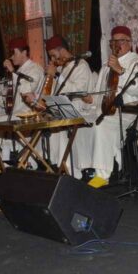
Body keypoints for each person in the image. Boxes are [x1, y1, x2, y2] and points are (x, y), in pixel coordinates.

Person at [78, 26, 138, 188]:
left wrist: (120, 70)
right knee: (80, 123)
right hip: (106, 110)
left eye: (121, 41)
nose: (117, 44)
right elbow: (100, 93)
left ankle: (102, 174)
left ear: (130, 43)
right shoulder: (106, 65)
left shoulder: (136, 62)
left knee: (102, 125)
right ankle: (83, 168)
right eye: (114, 41)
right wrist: (90, 99)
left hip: (128, 111)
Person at [41, 34, 93, 173]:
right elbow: (54, 92)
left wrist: (57, 76)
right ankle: (56, 165)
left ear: (62, 50)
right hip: (64, 108)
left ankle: (69, 168)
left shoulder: (81, 65)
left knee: (59, 123)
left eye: (53, 55)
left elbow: (79, 91)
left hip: (80, 108)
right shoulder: (63, 68)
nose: (52, 60)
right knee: (47, 119)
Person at [0, 36, 45, 161]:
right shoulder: (17, 72)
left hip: (29, 114)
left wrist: (13, 72)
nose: (11, 57)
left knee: (1, 121)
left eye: (14, 53)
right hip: (15, 113)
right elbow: (6, 101)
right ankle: (1, 160)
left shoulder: (35, 69)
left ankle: (4, 160)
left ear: (24, 52)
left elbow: (27, 91)